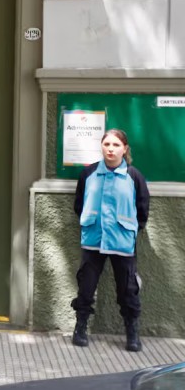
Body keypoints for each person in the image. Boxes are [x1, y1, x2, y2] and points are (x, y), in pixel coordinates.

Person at [71, 129, 150, 352]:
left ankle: (132, 332)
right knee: (86, 286)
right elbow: (79, 204)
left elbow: (142, 208)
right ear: (101, 147)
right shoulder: (88, 174)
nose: (111, 149)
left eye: (116, 145)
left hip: (122, 242)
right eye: (107, 144)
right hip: (93, 239)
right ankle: (80, 327)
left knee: (128, 289)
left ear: (125, 149)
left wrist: (130, 229)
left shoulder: (134, 176)